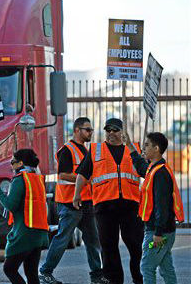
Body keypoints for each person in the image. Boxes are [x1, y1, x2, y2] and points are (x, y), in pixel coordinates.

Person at [73, 118, 143, 284]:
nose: (111, 133)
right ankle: (114, 280)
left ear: (122, 132)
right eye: (108, 130)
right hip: (104, 207)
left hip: (130, 206)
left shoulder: (134, 149)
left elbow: (146, 172)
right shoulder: (96, 150)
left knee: (136, 246)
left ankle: (139, 278)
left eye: (115, 130)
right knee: (108, 247)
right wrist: (77, 195)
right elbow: (82, 174)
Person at [39, 117, 104, 284]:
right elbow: (63, 175)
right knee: (62, 239)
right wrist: (84, 179)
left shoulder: (85, 150)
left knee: (92, 241)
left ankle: (97, 275)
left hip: (86, 202)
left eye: (91, 130)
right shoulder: (67, 150)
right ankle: (45, 272)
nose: (90, 133)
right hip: (69, 203)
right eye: (87, 130)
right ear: (77, 130)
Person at [124, 131, 184, 284]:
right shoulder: (154, 169)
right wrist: (130, 146)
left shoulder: (160, 174)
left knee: (147, 267)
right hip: (163, 233)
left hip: (158, 234)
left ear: (156, 148)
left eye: (146, 145)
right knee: (166, 268)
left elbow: (162, 207)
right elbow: (140, 167)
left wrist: (158, 233)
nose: (143, 148)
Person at [0, 149, 49, 284]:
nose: (11, 166)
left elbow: (11, 205)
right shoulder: (37, 179)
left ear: (20, 163)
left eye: (13, 162)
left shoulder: (20, 180)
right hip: (39, 232)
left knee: (9, 269)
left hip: (25, 233)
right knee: (31, 274)